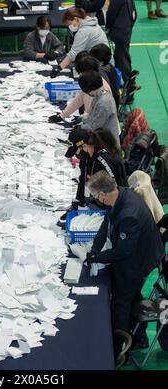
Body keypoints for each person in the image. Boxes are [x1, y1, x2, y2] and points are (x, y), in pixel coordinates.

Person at [85, 171, 165, 354]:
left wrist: (97, 258)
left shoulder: (129, 214)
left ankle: (122, 349)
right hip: (137, 250)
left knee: (120, 304)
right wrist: (95, 250)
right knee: (133, 295)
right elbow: (107, 222)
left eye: (95, 196)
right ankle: (140, 338)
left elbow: (123, 251)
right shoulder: (121, 193)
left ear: (103, 195)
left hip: (140, 259)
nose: (95, 199)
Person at [59, 128, 127, 223]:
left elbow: (116, 190)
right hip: (96, 202)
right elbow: (83, 180)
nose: (76, 155)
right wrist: (78, 202)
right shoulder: (86, 157)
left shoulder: (103, 161)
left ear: (85, 146)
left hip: (111, 206)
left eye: (76, 151)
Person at [49, 52, 112, 124]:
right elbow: (80, 99)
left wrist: (83, 119)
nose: (80, 75)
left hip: (100, 128)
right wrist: (62, 115)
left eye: (81, 73)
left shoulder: (101, 90)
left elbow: (98, 117)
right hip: (90, 122)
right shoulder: (89, 81)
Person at [50, 7, 108, 78]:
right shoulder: (91, 24)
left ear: (75, 19)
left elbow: (74, 53)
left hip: (99, 65)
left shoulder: (84, 31)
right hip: (104, 61)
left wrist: (58, 68)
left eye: (69, 24)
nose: (70, 27)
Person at [78, 71, 120, 145]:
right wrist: (83, 119)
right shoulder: (100, 95)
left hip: (108, 145)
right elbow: (93, 116)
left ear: (89, 89)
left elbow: (95, 126)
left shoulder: (103, 103)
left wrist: (80, 128)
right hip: (103, 139)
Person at [106, 0, 139, 90]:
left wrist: (108, 27)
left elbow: (111, 14)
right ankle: (126, 83)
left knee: (121, 58)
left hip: (122, 31)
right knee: (121, 58)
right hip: (123, 31)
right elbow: (134, 15)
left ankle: (127, 83)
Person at [90, 43, 120, 109]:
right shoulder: (109, 66)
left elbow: (103, 91)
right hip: (114, 100)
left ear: (99, 60)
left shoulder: (101, 72)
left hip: (108, 106)